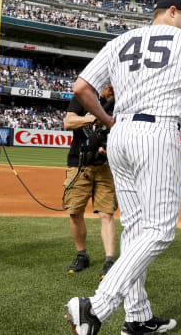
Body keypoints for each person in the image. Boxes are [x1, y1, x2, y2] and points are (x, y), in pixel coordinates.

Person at [65, 0, 181, 335]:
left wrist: (107, 120)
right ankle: (96, 306)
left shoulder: (120, 41)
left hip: (122, 134)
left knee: (137, 228)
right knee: (159, 230)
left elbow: (82, 88)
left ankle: (138, 316)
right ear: (172, 12)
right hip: (156, 132)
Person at [63, 85, 118, 280]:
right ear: (102, 84)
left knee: (107, 213)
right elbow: (68, 122)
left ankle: (109, 260)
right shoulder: (83, 97)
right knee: (75, 211)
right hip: (79, 163)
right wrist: (94, 117)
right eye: (110, 87)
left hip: (105, 166)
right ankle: (82, 255)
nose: (113, 91)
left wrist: (110, 148)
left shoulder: (119, 103)